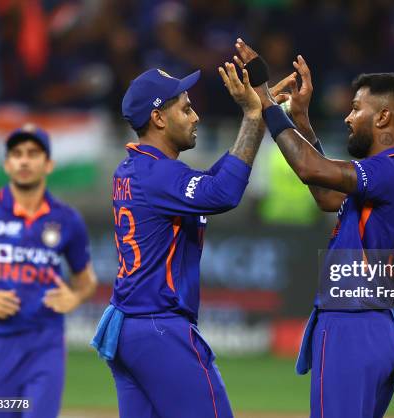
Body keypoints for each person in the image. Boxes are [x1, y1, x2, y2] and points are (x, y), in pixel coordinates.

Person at [233, 39, 394, 418]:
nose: (348, 118)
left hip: (352, 324)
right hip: (379, 323)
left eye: (356, 109)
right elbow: (326, 195)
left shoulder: (388, 171)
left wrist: (266, 101)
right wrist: (301, 120)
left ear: (384, 118)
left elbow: (311, 168)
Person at [92, 65, 291, 418]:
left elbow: (214, 180)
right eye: (185, 108)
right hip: (159, 330)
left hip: (131, 328)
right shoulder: (158, 175)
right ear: (158, 118)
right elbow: (224, 192)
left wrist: (260, 114)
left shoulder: (137, 168)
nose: (196, 116)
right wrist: (251, 114)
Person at [0, 125, 98, 418]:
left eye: (33, 154)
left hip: (45, 342)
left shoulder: (66, 219)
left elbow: (86, 282)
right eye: (17, 154)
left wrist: (74, 298)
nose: (24, 161)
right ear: (7, 163)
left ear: (49, 164)